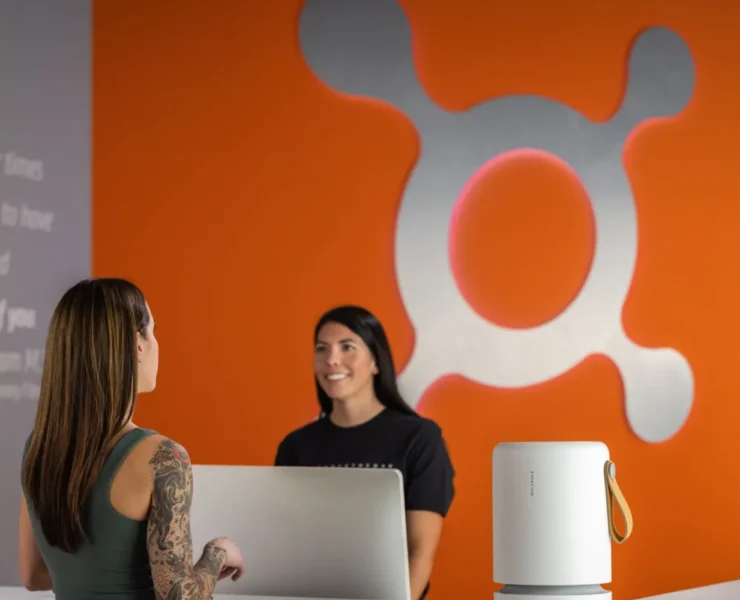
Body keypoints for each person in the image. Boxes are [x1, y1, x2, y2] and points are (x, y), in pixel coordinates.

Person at [18, 278, 245, 599]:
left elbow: (34, 575)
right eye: (154, 330)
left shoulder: (37, 450)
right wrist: (218, 553)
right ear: (138, 345)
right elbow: (179, 596)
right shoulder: (163, 458)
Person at [275, 305, 455, 600]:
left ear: (375, 361)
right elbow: (286, 544)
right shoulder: (295, 447)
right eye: (322, 349)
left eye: (347, 347)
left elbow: (419, 551)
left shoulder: (419, 439)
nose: (332, 359)